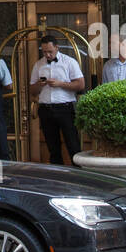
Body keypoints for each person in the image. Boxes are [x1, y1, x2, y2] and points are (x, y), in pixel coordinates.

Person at [29, 34, 85, 166]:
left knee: (73, 145)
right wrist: (39, 84)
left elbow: (81, 85)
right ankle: (57, 175)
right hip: (46, 109)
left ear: (57, 48)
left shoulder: (69, 62)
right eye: (44, 52)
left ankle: (79, 174)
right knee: (52, 148)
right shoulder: (38, 65)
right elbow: (32, 90)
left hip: (65, 108)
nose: (47, 55)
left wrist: (60, 84)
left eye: (50, 51)